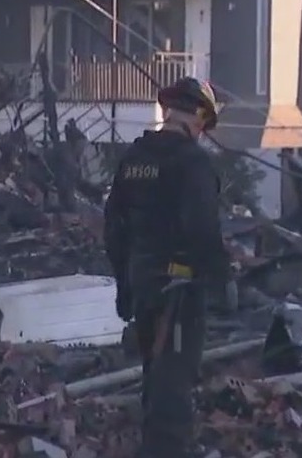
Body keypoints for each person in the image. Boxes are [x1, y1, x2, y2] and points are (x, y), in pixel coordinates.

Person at [103, 77, 230, 458]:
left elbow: (114, 227)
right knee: (173, 378)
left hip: (141, 282)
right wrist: (221, 281)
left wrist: (124, 287)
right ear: (200, 118)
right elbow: (202, 229)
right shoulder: (192, 162)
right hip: (181, 289)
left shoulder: (133, 160)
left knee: (153, 372)